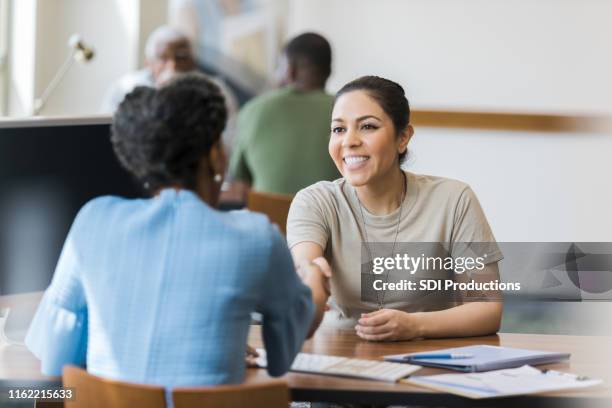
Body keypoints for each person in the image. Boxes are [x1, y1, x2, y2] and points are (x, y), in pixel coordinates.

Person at [25, 73, 329, 390]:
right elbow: (284, 353)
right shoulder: (256, 237)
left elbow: (55, 354)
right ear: (214, 155)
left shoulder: (93, 219)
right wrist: (315, 282)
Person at [288, 76, 503, 341]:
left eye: (367, 126)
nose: (349, 141)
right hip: (338, 355)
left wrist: (414, 325)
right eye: (338, 129)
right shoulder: (314, 201)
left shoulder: (455, 199)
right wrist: (311, 278)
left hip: (427, 360)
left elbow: (487, 309)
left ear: (403, 137)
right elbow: (307, 267)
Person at [226, 32, 340, 200]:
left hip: (269, 220)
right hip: (327, 222)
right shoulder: (346, 110)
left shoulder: (253, 109)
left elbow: (240, 182)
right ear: (329, 71)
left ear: (290, 70)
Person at [102, 26, 239, 155]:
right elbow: (112, 137)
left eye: (181, 57)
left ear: (194, 61)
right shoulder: (125, 89)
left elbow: (231, 140)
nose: (173, 65)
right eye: (163, 58)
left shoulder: (216, 90)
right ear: (148, 63)